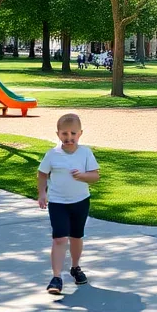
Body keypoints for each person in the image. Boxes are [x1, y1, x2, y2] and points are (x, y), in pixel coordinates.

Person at [37, 112, 100, 295]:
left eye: (73, 133)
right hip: (58, 202)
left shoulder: (85, 153)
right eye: (64, 133)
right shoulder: (52, 154)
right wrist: (42, 193)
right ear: (58, 134)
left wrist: (83, 176)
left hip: (80, 201)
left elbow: (95, 176)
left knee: (76, 237)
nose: (69, 137)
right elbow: (42, 174)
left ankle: (75, 267)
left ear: (80, 133)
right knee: (59, 238)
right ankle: (56, 277)